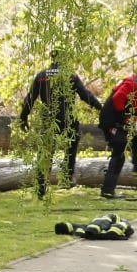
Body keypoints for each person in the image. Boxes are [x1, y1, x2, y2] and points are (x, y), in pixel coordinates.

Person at [18, 54, 101, 198]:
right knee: (72, 142)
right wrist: (100, 107)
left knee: (46, 153)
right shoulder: (71, 76)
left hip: (48, 117)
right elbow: (84, 95)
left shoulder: (42, 76)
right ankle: (67, 176)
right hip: (67, 116)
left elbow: (30, 98)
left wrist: (23, 117)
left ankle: (41, 189)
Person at [97, 61, 137, 199]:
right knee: (119, 153)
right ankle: (107, 191)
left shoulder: (136, 85)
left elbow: (134, 106)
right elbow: (117, 99)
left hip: (118, 120)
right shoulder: (133, 84)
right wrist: (123, 119)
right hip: (111, 121)